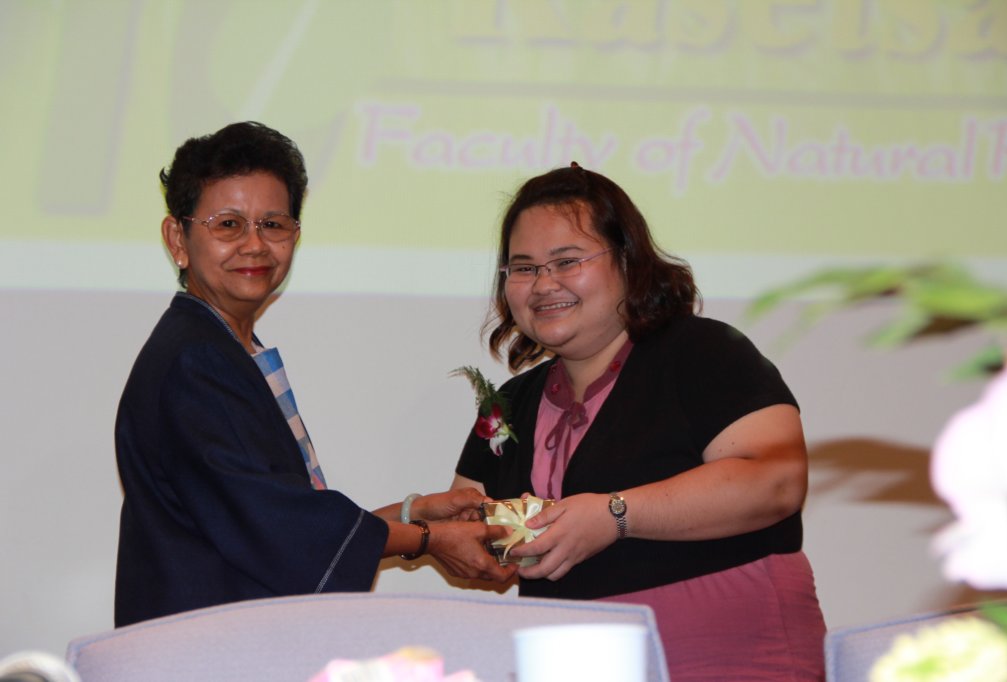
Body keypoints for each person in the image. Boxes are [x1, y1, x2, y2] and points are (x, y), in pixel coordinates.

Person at [114, 121, 514, 628]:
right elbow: (278, 526)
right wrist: (428, 538)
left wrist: (413, 514)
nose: (255, 244)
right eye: (228, 224)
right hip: (204, 648)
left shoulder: (226, 348)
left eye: (273, 224)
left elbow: (288, 519)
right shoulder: (195, 360)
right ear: (178, 238)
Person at [453, 164, 826, 680]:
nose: (543, 284)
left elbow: (775, 481)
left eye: (567, 261)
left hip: (729, 655)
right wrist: (471, 545)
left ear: (628, 261)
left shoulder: (703, 352)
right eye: (523, 268)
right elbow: (465, 518)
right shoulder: (510, 403)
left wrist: (614, 515)